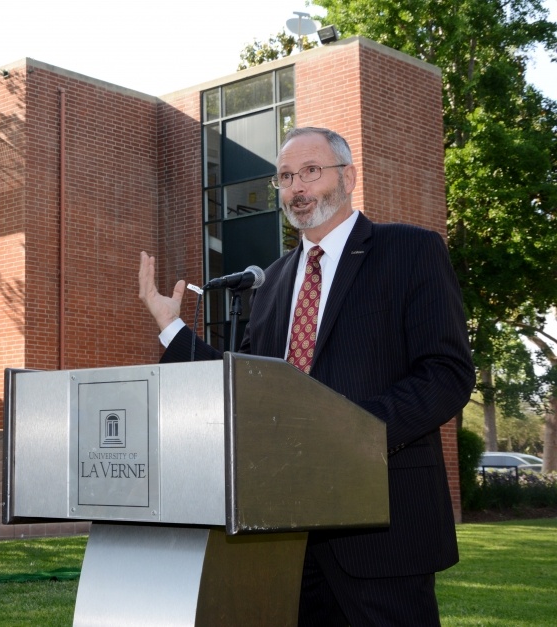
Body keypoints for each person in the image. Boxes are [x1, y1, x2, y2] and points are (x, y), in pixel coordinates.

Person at [138, 127, 475, 626]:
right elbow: (246, 390)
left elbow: (446, 374)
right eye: (286, 177)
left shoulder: (409, 250)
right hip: (288, 536)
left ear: (349, 176)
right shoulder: (271, 283)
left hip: (382, 529)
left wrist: (346, 432)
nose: (297, 187)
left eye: (310, 172)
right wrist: (172, 328)